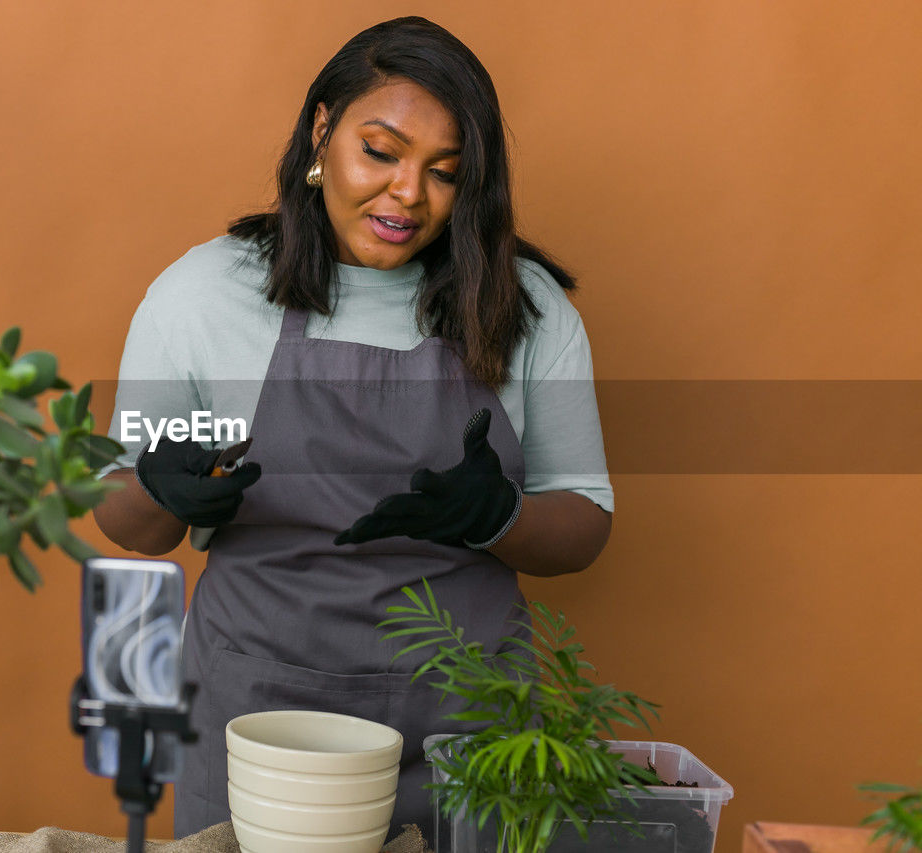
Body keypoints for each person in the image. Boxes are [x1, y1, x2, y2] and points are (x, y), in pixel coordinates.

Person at [93, 16, 614, 837]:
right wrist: (163, 489)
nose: (409, 194)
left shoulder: (527, 309)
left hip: (467, 730)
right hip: (256, 725)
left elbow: (584, 521)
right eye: (381, 151)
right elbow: (126, 518)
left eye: (445, 173)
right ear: (322, 129)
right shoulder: (202, 298)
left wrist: (501, 516)